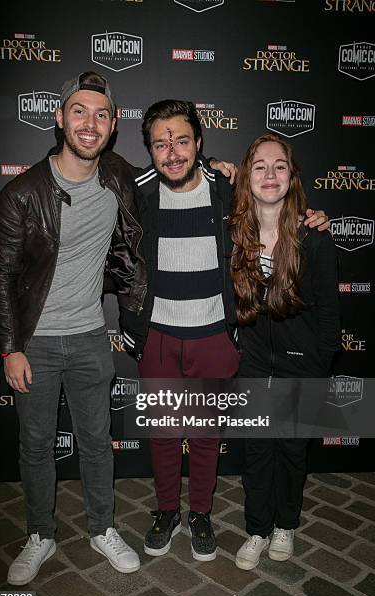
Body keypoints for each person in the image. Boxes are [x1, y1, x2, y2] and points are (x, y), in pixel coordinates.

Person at [119, 101, 330, 563]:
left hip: (215, 333)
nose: (171, 152)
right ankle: (166, 511)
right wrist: (133, 326)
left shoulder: (224, 188)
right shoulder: (135, 191)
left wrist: (312, 218)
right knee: (164, 431)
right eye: (160, 143)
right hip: (157, 333)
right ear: (149, 150)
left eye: (181, 140)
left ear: (199, 142)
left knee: (208, 433)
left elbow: (274, 206)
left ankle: (201, 514)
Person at [0, 71, 147, 584]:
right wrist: (10, 348)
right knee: (35, 444)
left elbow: (175, 177)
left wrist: (222, 170)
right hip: (34, 342)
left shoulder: (119, 177)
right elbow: (1, 277)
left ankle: (102, 528)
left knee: (97, 442)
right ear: (59, 118)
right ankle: (40, 534)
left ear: (113, 125)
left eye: (101, 114)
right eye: (79, 111)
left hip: (90, 338)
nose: (89, 123)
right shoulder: (22, 194)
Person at [230, 133, 340, 570]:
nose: (270, 174)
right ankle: (257, 529)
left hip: (303, 368)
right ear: (247, 176)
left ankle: (285, 527)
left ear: (292, 176)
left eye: (279, 166)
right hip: (254, 363)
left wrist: (318, 366)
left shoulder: (314, 236)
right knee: (257, 451)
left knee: (293, 452)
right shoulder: (235, 233)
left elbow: (330, 314)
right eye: (260, 166)